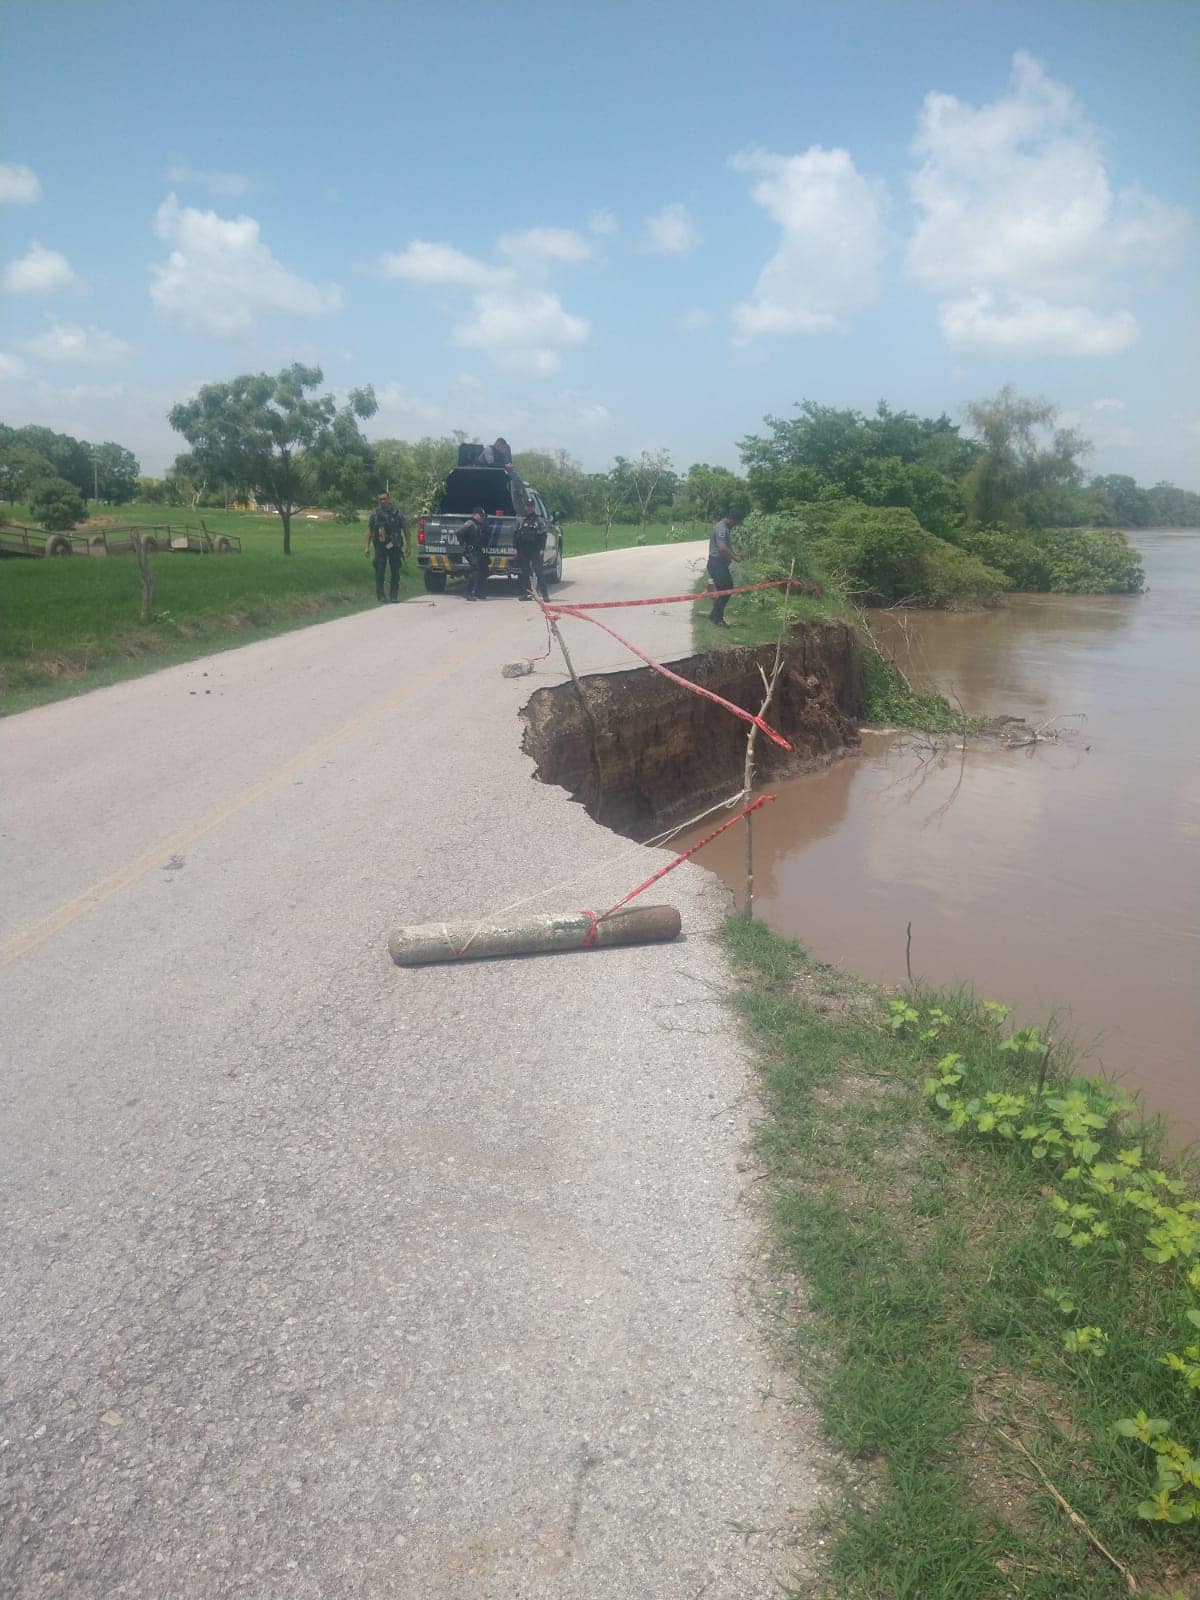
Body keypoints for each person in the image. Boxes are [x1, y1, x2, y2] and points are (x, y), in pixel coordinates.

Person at [364, 491, 410, 603]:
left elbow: (406, 530)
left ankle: (394, 596)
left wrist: (409, 546)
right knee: (379, 570)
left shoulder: (397, 513)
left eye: (384, 499)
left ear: (389, 499)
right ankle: (381, 596)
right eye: (381, 499)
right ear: (378, 500)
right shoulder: (375, 514)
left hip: (394, 545)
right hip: (380, 546)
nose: (383, 501)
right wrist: (367, 546)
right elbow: (370, 531)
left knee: (395, 570)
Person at [707, 510, 742, 627]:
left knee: (725, 590)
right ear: (732, 519)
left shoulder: (724, 528)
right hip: (716, 564)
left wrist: (734, 554)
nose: (735, 525)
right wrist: (735, 558)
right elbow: (722, 548)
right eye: (736, 523)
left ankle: (715, 615)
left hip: (719, 564)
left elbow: (726, 547)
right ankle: (716, 618)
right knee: (726, 590)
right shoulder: (721, 528)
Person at [514, 499, 549, 603]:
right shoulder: (521, 520)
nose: (529, 508)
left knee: (539, 572)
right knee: (525, 573)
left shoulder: (539, 520)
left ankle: (545, 595)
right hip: (523, 550)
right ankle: (525, 594)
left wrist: (542, 549)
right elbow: (516, 535)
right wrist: (515, 548)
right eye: (527, 506)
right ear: (525, 507)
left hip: (535, 550)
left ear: (533, 507)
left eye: (531, 506)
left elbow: (543, 536)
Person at [460, 506, 491, 601]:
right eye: (481, 516)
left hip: (477, 550)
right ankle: (468, 593)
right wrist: (463, 544)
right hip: (471, 551)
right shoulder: (470, 523)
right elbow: (459, 533)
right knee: (475, 570)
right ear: (476, 515)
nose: (482, 518)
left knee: (482, 570)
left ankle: (479, 592)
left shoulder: (478, 525)